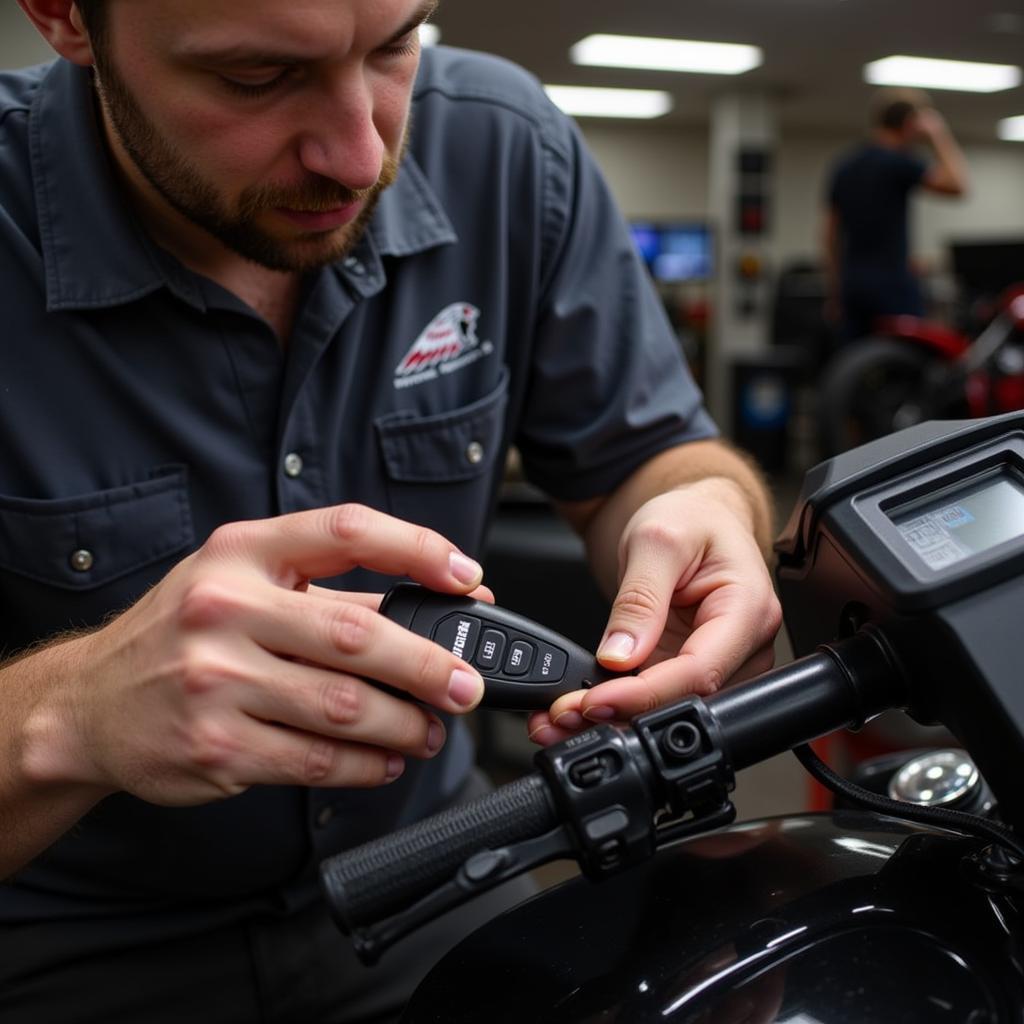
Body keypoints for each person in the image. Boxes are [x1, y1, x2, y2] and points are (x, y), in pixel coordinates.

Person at [0, 1, 781, 1021]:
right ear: (65, 15)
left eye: (393, 45)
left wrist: (704, 506)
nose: (363, 156)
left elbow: (645, 453)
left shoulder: (506, 147)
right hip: (63, 936)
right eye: (254, 77)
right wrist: (72, 715)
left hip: (438, 867)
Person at [823, 89, 968, 344]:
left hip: (852, 284)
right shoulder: (899, 162)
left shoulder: (844, 166)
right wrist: (938, 133)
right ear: (910, 124)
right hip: (891, 284)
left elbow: (829, 236)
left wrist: (835, 293)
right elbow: (957, 185)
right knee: (908, 359)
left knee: (857, 366)